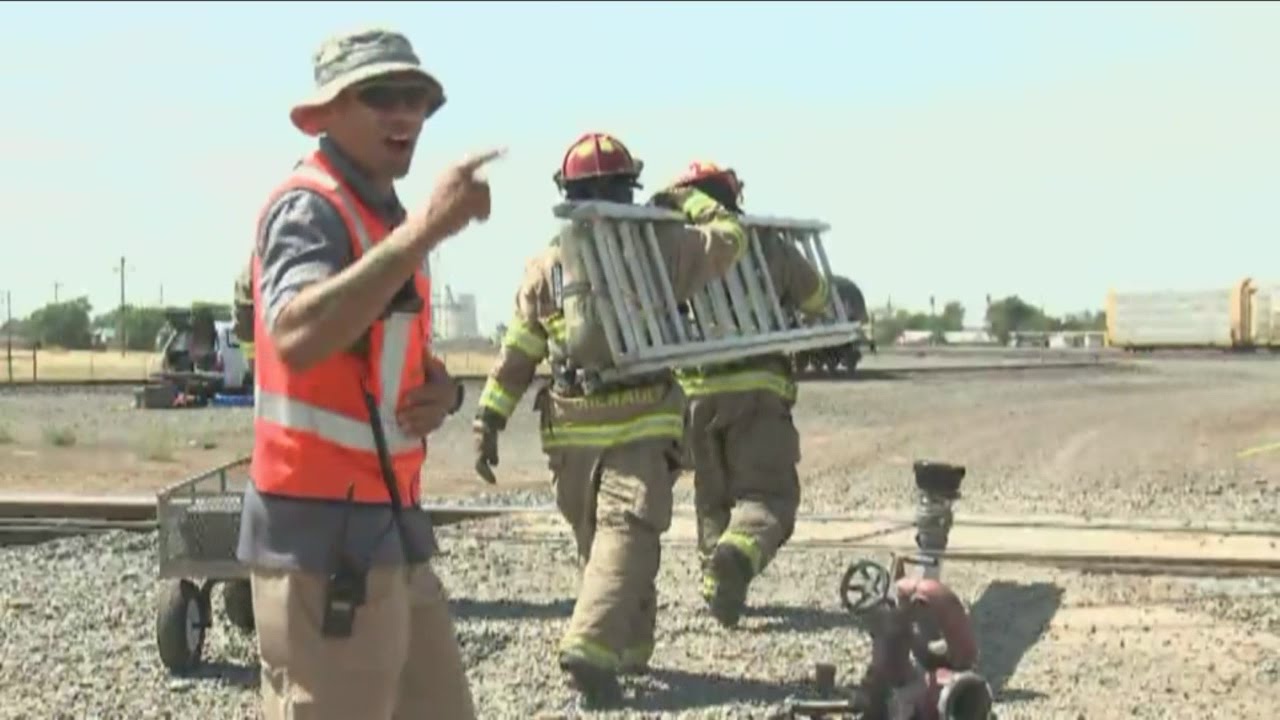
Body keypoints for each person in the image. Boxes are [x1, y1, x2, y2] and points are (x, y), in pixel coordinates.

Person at [237, 26, 501, 720]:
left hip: (385, 532)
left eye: (417, 97)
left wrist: (445, 393)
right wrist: (429, 231)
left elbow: (384, 355)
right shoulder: (312, 209)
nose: (405, 113)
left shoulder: (378, 219)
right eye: (380, 95)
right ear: (323, 115)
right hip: (324, 544)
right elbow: (295, 334)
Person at [469, 132, 747, 706]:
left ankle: (629, 648)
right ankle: (591, 647)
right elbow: (731, 239)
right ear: (629, 189)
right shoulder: (665, 246)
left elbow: (520, 350)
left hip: (569, 431)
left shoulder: (547, 264)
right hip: (641, 420)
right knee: (629, 534)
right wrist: (690, 200)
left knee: (607, 544)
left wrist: (488, 421)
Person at [668, 161, 832, 629]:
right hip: (758, 393)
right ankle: (735, 560)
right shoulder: (766, 244)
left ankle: (716, 583)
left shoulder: (672, 252)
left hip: (695, 397)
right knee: (771, 498)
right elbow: (816, 299)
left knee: (711, 497)